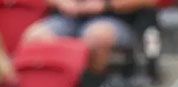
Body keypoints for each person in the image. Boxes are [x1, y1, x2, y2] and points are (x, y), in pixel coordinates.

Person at [22, 0, 156, 76]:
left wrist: (106, 5)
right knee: (35, 38)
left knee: (96, 37)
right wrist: (62, 3)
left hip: (114, 17)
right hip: (68, 17)